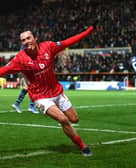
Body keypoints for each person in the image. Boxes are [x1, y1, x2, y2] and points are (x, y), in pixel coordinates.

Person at [0, 25, 95, 156]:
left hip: (57, 92)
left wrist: (89, 30)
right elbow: (2, 71)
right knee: (63, 120)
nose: (26, 41)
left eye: (28, 38)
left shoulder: (48, 47)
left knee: (74, 119)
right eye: (23, 40)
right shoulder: (20, 59)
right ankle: (83, 146)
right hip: (40, 97)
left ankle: (58, 115)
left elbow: (69, 41)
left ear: (35, 38)